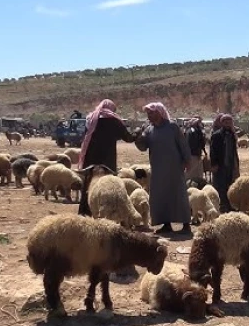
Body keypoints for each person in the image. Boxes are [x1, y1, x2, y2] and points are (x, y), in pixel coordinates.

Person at [135, 102, 192, 235]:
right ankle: (166, 224)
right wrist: (137, 137)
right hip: (158, 169)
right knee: (161, 196)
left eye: (152, 113)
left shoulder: (172, 127)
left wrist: (187, 160)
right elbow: (143, 147)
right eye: (148, 113)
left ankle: (185, 225)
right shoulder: (149, 130)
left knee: (179, 195)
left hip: (174, 168)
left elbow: (183, 144)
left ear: (159, 112)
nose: (149, 115)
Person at [77, 99, 136, 216]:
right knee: (108, 185)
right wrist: (138, 132)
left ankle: (85, 212)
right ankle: (108, 213)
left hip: (91, 159)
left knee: (89, 184)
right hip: (107, 160)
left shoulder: (90, 119)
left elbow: (84, 137)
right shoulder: (114, 121)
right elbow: (128, 138)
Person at [209, 114, 240, 213]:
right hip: (220, 165)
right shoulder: (217, 135)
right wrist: (214, 164)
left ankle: (229, 205)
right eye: (226, 122)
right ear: (222, 123)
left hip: (230, 165)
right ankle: (221, 206)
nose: (228, 124)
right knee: (220, 186)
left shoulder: (232, 135)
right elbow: (212, 151)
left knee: (229, 185)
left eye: (229, 122)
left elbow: (234, 150)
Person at [185, 117, 206, 182]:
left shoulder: (191, 130)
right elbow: (195, 142)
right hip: (194, 154)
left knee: (196, 171)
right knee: (193, 172)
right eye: (198, 123)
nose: (200, 124)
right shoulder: (194, 131)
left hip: (195, 154)